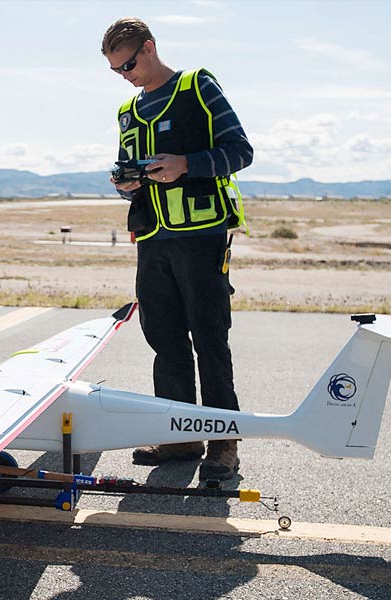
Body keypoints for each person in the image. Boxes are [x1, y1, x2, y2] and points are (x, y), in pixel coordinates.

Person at [101, 18, 253, 480]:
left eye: (128, 63)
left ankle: (224, 442)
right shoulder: (128, 111)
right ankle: (179, 435)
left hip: (200, 236)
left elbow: (241, 151)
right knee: (164, 340)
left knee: (209, 338)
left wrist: (186, 164)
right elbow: (137, 175)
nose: (124, 74)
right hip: (152, 239)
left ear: (150, 48)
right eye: (115, 70)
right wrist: (126, 184)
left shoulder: (197, 86)